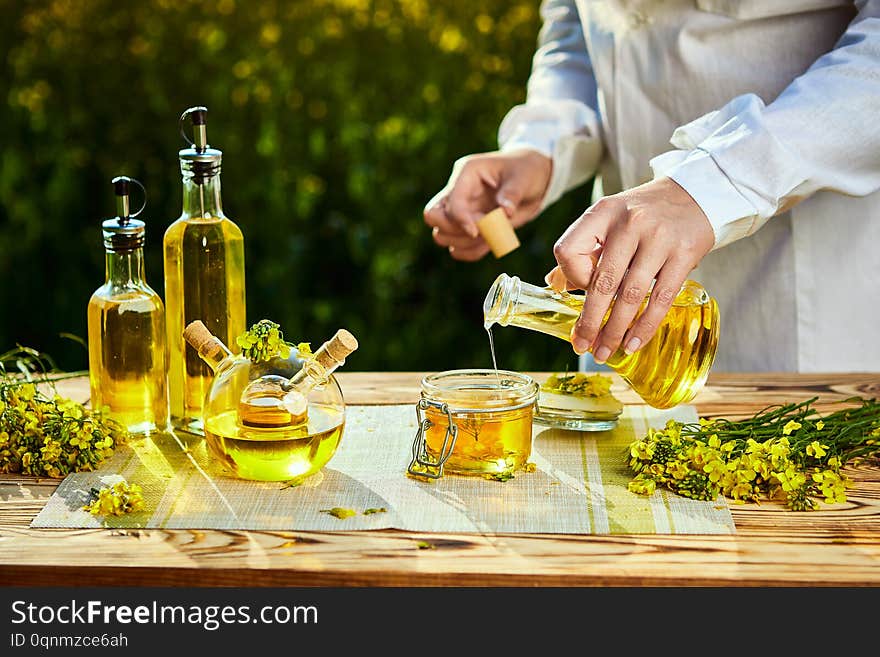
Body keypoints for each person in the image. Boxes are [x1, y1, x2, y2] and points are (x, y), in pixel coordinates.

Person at [424, 0, 880, 373]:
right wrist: (543, 145)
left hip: (801, 325)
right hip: (616, 320)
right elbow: (580, 25)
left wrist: (714, 182)